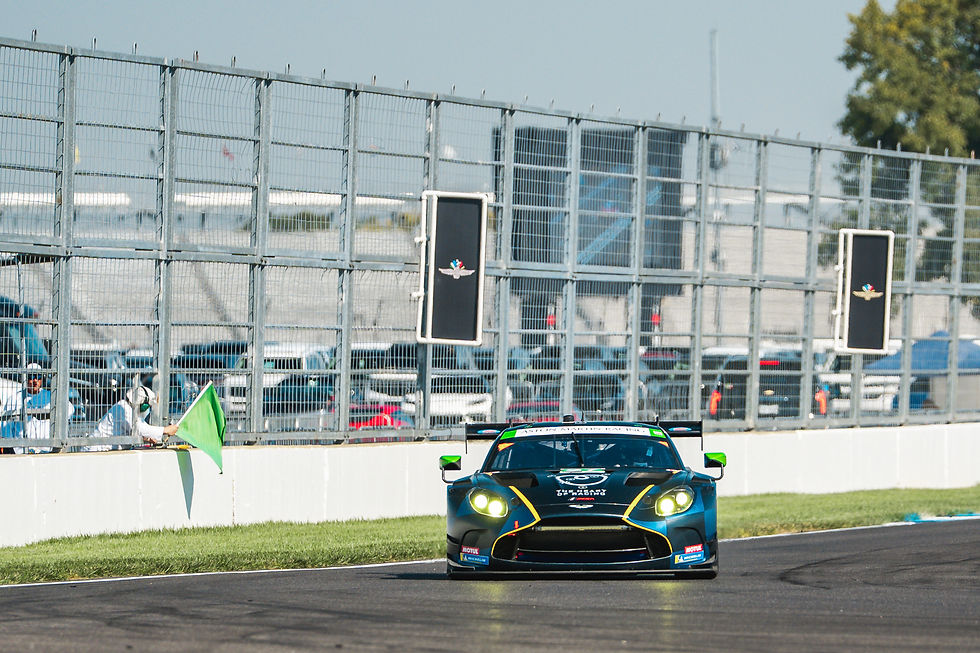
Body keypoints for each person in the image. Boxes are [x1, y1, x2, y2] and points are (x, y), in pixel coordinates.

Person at [0, 363, 73, 454]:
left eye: (38, 377)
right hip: (22, 451)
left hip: (46, 450)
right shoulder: (15, 399)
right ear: (25, 378)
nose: (35, 380)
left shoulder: (50, 396)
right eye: (31, 377)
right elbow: (6, 426)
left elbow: (70, 409)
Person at [87, 385, 178, 451]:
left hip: (104, 450)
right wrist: (165, 430)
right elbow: (139, 428)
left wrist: (147, 438)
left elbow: (140, 427)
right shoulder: (123, 408)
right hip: (96, 449)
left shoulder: (129, 409)